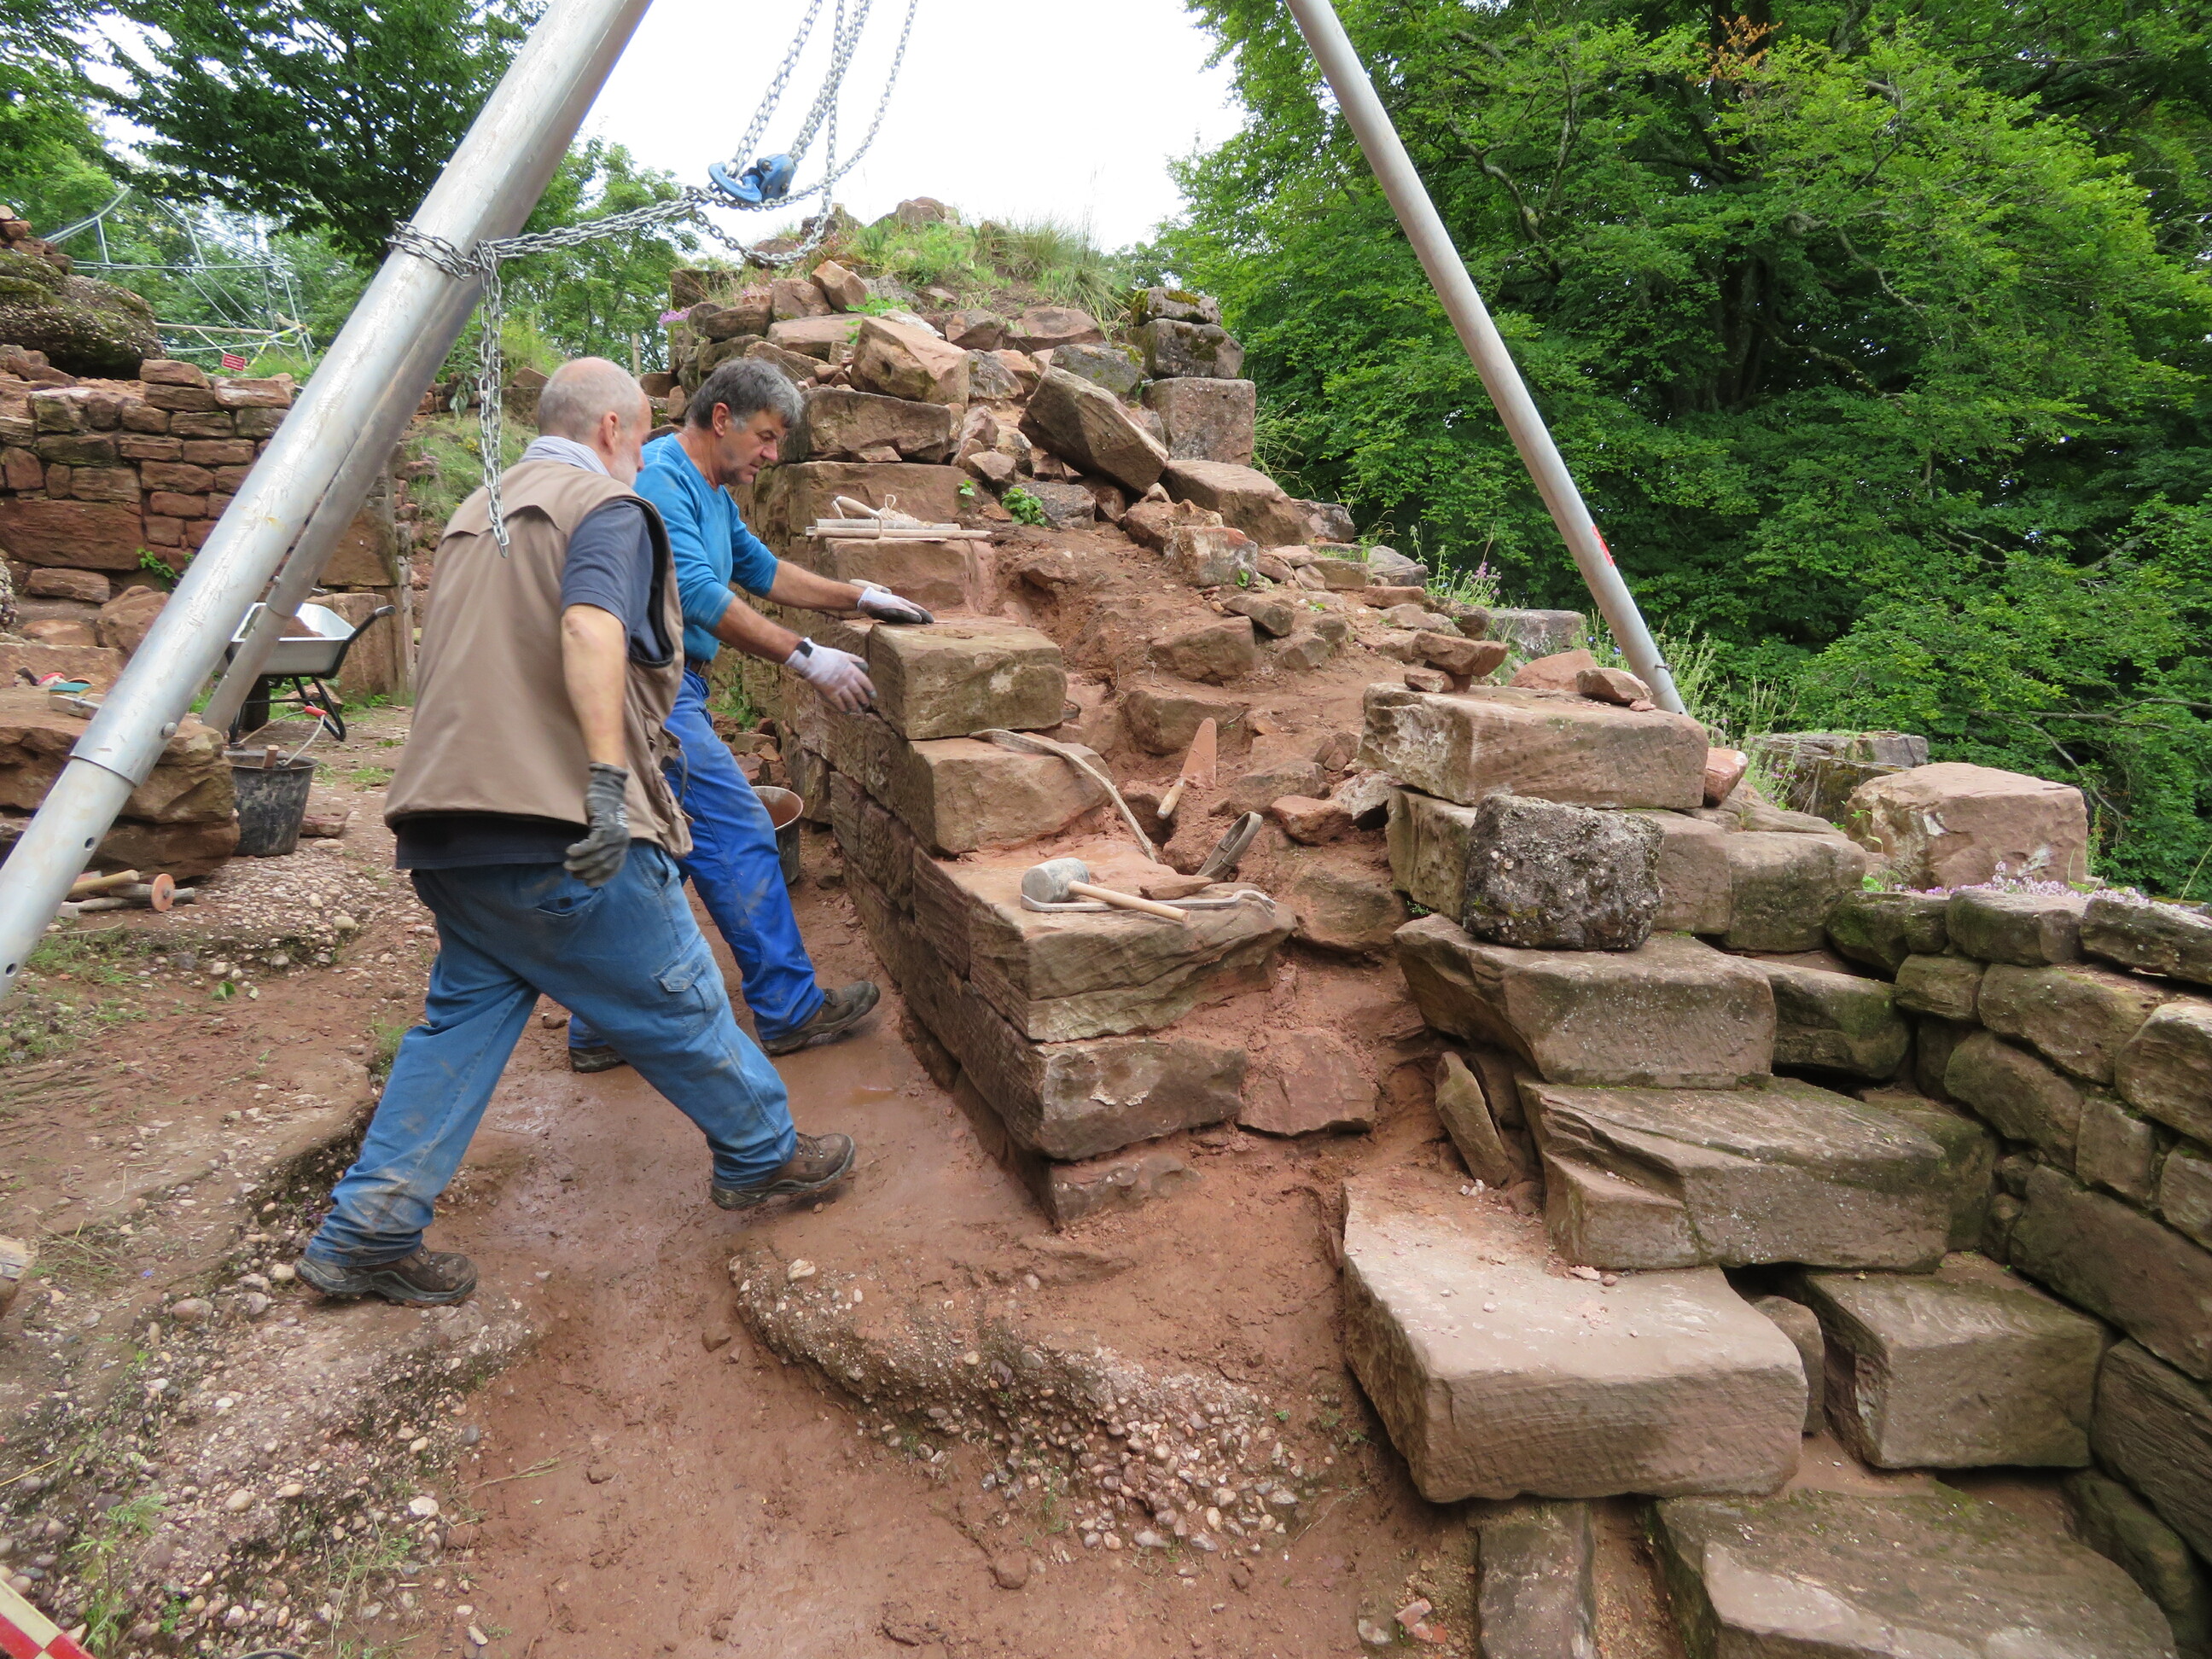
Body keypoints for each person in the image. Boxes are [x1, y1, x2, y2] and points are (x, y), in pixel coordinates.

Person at [297, 358, 855, 1307]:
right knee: (680, 992)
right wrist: (605, 782)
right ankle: (764, 1152)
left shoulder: (478, 512)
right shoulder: (606, 507)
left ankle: (367, 1231)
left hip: (447, 826)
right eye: (638, 439)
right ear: (609, 431)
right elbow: (592, 626)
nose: (642, 458)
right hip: (554, 820)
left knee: (461, 1026)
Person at [565, 356, 935, 1073]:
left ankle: (601, 1026)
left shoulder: (710, 492)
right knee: (737, 833)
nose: (771, 455)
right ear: (721, 418)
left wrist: (858, 596)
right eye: (765, 438)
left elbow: (761, 570)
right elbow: (698, 592)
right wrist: (805, 657)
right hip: (652, 690)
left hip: (673, 688)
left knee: (658, 854)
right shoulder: (662, 478)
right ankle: (788, 1009)